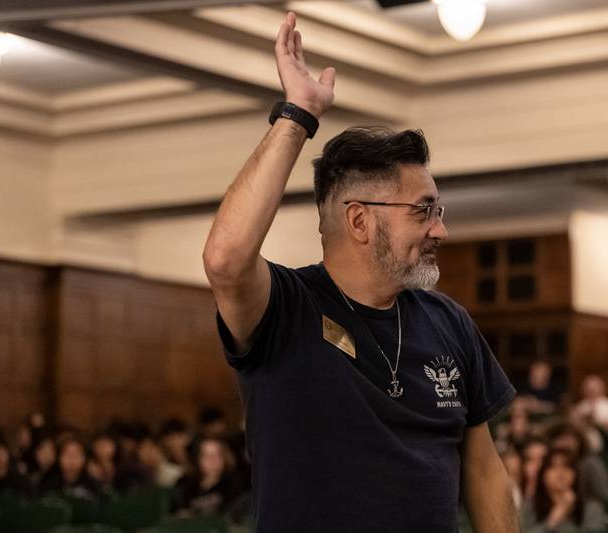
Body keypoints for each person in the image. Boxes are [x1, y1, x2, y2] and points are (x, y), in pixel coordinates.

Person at [201, 12, 517, 533]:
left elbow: (483, 470)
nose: (441, 231)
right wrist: (297, 113)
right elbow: (225, 261)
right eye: (423, 210)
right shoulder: (286, 307)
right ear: (360, 221)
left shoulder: (449, 321)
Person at [520, 449, 606, 533]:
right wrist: (553, 520)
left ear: (575, 473)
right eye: (553, 467)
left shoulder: (592, 507)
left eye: (566, 466)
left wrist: (564, 514)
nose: (560, 473)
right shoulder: (531, 506)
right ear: (543, 474)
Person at [170, 437, 241, 517]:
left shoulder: (234, 483)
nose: (213, 460)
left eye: (217, 455)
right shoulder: (184, 484)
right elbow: (174, 513)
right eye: (207, 456)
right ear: (197, 459)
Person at [39, 437, 104, 500]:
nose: (72, 460)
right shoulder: (47, 483)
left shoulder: (94, 486)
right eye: (68, 455)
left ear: (85, 458)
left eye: (76, 455)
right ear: (59, 457)